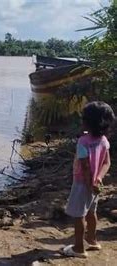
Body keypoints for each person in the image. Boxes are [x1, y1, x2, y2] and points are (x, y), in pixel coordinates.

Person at [62, 101, 115, 258]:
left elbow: (85, 168)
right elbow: (107, 162)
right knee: (92, 212)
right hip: (96, 185)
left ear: (88, 122)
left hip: (82, 184)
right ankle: (92, 240)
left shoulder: (82, 142)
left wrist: (89, 183)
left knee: (79, 215)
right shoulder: (104, 141)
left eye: (83, 119)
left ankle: (78, 248)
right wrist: (98, 179)